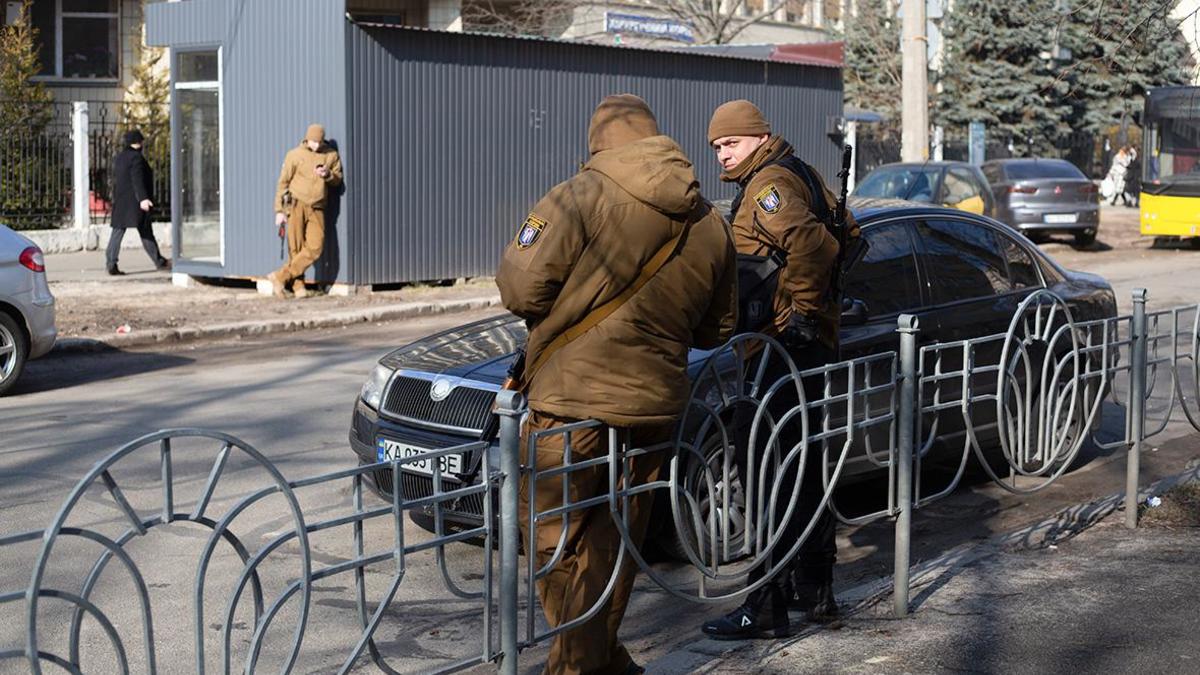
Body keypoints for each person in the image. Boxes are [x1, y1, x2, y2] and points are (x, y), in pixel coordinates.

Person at [496, 94, 737, 675]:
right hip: (655, 407)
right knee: (612, 544)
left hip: (569, 402)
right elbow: (719, 326)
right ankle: (602, 660)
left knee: (551, 537)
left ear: (598, 142)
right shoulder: (708, 219)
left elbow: (520, 291)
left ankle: (577, 667)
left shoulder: (578, 195)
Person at [700, 99, 860, 640]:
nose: (722, 154)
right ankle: (816, 590)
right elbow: (851, 237)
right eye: (717, 147)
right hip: (799, 350)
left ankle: (763, 606)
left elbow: (814, 246)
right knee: (802, 470)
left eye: (730, 143)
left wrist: (804, 317)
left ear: (758, 136)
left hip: (783, 351)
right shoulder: (800, 172)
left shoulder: (769, 185)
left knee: (767, 474)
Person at [266, 124, 342, 298]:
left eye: (319, 141)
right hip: (296, 204)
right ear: (307, 138)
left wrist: (328, 174)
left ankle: (280, 276)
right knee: (296, 247)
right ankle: (299, 287)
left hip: (317, 207)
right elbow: (283, 183)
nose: (316, 145)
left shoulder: (331, 155)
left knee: (316, 246)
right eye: (313, 141)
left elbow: (337, 180)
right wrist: (279, 211)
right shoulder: (294, 155)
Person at [107, 130, 169, 275]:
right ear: (138, 142)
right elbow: (137, 179)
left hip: (121, 200)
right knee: (146, 231)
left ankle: (111, 263)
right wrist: (143, 199)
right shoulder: (136, 158)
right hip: (135, 201)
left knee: (117, 232)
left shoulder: (120, 157)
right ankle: (159, 261)